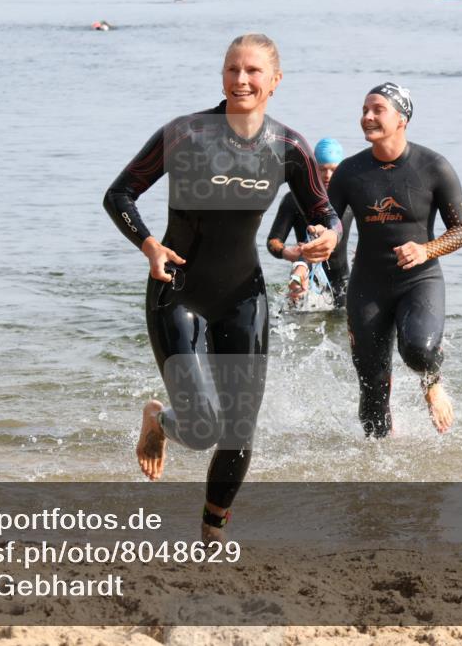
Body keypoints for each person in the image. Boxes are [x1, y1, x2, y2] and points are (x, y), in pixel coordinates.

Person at [103, 34, 341, 539]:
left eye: (253, 71)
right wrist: (148, 245)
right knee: (203, 428)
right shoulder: (186, 134)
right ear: (222, 76)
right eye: (233, 69)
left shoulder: (288, 148)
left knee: (238, 431)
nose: (241, 80)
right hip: (177, 291)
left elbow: (324, 212)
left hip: (241, 296)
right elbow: (119, 194)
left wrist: (329, 238)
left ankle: (212, 532)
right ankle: (159, 419)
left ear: (274, 81)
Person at [329, 82, 462, 438]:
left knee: (419, 350)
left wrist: (427, 249)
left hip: (418, 281)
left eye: (378, 109)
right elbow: (328, 220)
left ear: (402, 118)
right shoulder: (349, 172)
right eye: (364, 110)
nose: (367, 117)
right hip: (368, 286)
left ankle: (433, 384)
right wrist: (315, 246)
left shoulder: (433, 167)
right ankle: (381, 479)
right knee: (372, 396)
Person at [266, 137, 354, 308]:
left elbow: (371, 229)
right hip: (305, 280)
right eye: (322, 169)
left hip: (342, 284)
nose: (327, 176)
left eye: (333, 170)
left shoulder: (349, 200)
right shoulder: (293, 200)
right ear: (313, 168)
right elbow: (273, 241)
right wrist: (285, 252)